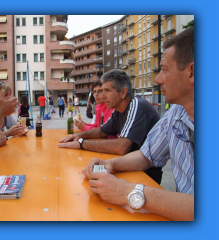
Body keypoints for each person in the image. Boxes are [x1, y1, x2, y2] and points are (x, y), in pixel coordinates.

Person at [82, 27, 194, 221]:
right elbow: (146, 155)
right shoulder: (176, 113)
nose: (158, 79)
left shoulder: (137, 106)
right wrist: (109, 164)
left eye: (165, 70)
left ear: (192, 72)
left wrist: (130, 192)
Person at [59, 69, 162, 184]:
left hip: (146, 174)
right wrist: (78, 135)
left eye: (107, 91)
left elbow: (121, 147)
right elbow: (102, 131)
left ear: (123, 93)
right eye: (102, 91)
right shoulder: (119, 110)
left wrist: (82, 143)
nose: (102, 96)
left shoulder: (137, 106)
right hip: (129, 167)